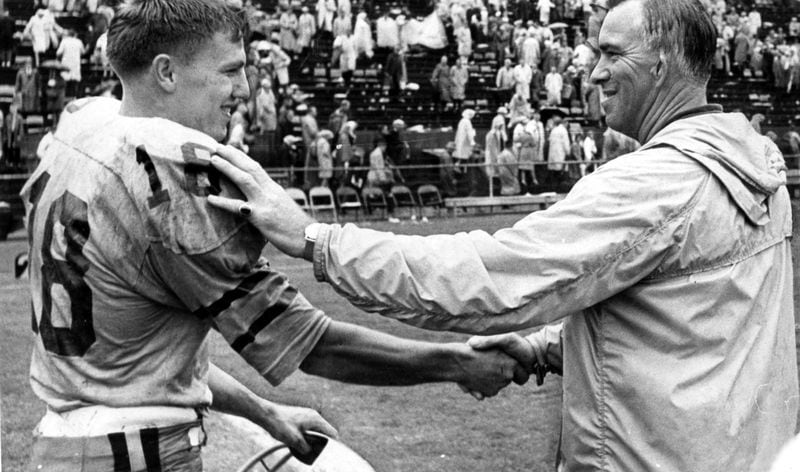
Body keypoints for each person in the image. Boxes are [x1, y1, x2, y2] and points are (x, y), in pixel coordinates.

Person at [208, 0, 798, 471]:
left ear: (662, 65)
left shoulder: (656, 182)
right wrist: (545, 348)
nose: (592, 72)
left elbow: (487, 278)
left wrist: (313, 237)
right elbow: (686, 331)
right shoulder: (756, 162)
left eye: (611, 55)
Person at [19, 1, 525, 470]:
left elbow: (145, 357)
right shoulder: (170, 175)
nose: (244, 90)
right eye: (231, 71)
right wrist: (456, 363)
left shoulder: (84, 125)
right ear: (167, 72)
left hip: (64, 446)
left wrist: (265, 411)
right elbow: (314, 344)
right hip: (141, 453)